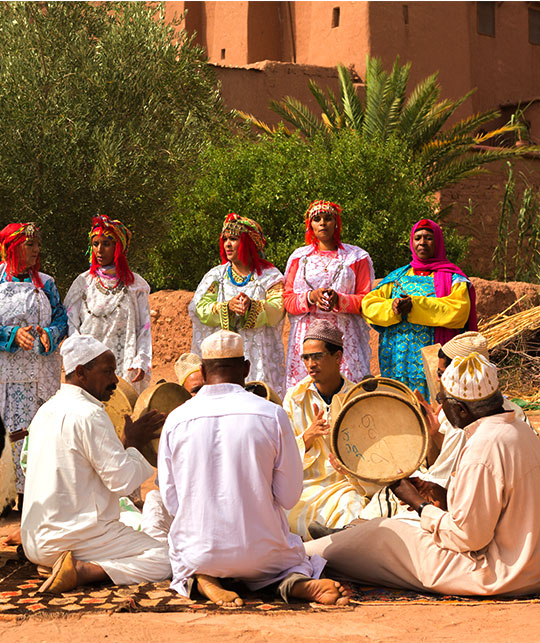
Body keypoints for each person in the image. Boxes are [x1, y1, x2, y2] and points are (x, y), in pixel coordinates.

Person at [306, 352, 540, 596]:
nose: (440, 406)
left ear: (459, 409)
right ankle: (322, 546)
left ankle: (303, 556)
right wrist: (444, 496)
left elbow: (469, 538)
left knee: (385, 535)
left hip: (497, 573)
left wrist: (417, 503)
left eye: (442, 400)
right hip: (531, 568)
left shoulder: (483, 448)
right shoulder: (519, 430)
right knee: (401, 523)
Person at [158, 329, 350, 607]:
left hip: (201, 549)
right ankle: (292, 582)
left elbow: (172, 501)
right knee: (286, 562)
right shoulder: (272, 414)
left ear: (202, 369)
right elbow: (288, 497)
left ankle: (203, 578)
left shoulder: (176, 419)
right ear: (246, 367)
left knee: (187, 557)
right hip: (264, 553)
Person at [21, 334, 171, 594]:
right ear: (80, 372)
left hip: (35, 543)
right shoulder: (90, 414)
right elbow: (122, 482)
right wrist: (135, 443)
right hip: (73, 539)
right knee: (166, 557)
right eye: (108, 372)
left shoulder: (46, 410)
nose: (115, 380)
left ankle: (59, 564)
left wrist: (124, 444)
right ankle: (82, 571)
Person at [283, 319, 378, 541]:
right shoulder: (295, 398)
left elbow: (372, 452)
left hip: (344, 485)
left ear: (337, 357)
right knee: (282, 515)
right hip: (305, 488)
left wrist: (348, 466)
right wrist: (308, 436)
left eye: (317, 356)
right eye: (306, 357)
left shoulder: (357, 398)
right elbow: (280, 454)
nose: (310, 364)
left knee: (353, 509)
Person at [362, 219, 477, 400]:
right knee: (400, 406)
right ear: (411, 242)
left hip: (433, 358)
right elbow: (368, 305)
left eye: (428, 238)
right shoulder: (396, 277)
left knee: (433, 408)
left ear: (438, 242)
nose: (422, 242)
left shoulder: (453, 278)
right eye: (418, 238)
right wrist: (392, 307)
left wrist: (415, 306)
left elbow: (458, 311)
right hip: (396, 359)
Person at [0, 222, 67, 504]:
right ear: (13, 247)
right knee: (8, 432)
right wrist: (12, 335)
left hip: (42, 374)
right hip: (6, 376)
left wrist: (49, 335)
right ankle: (7, 494)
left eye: (37, 244)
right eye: (30, 244)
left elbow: (62, 319)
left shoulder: (46, 283)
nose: (36, 250)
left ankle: (34, 495)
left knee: (38, 431)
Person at [189, 213, 285, 398]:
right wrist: (226, 307)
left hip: (259, 357)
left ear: (249, 243)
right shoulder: (216, 276)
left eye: (233, 239)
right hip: (224, 356)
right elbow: (199, 308)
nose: (227, 244)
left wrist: (253, 307)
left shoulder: (270, 276)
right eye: (225, 239)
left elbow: (278, 310)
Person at [283, 200, 374, 390]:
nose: (322, 223)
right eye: (317, 219)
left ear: (337, 223)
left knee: (347, 392)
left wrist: (339, 300)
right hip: (306, 336)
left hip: (343, 336)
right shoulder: (299, 257)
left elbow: (367, 300)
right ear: (310, 225)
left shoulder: (357, 257)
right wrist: (310, 297)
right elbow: (288, 299)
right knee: (305, 392)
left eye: (328, 218)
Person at [64, 215, 152, 393]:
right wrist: (79, 356)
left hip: (124, 364)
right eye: (95, 244)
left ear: (118, 247)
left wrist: (142, 359)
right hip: (89, 365)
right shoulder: (83, 282)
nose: (99, 250)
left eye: (106, 244)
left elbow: (144, 327)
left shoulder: (135, 285)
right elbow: (72, 323)